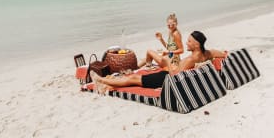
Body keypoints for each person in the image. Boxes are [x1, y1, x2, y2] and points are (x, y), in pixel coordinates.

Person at [91, 30, 227, 92]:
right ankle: (106, 80)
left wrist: (169, 63)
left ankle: (101, 80)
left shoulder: (190, 59)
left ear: (197, 45)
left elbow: (175, 75)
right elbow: (222, 53)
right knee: (135, 76)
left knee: (133, 78)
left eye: (189, 41)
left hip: (166, 79)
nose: (187, 42)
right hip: (171, 76)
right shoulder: (207, 53)